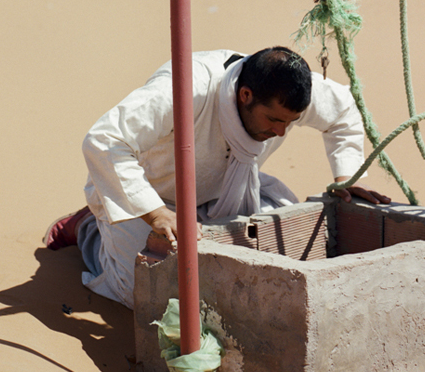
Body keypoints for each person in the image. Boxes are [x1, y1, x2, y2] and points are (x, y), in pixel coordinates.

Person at [45, 47, 390, 309]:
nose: (281, 131)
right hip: (150, 195)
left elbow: (343, 110)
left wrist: (347, 177)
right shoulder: (185, 89)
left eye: (291, 122)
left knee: (284, 244)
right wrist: (154, 213)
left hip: (229, 188)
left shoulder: (289, 91)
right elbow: (105, 140)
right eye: (274, 120)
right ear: (245, 96)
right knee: (145, 293)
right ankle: (89, 228)